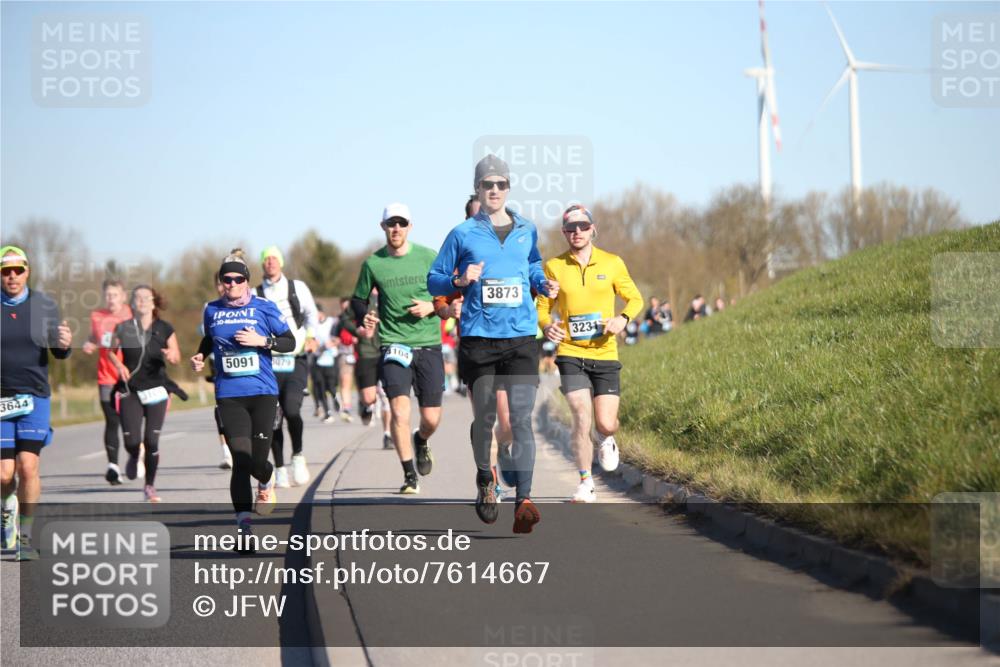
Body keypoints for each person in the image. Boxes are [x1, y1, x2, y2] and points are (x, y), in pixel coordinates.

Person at [428, 154, 558, 533]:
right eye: (488, 185)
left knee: (519, 419)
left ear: (508, 187)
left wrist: (541, 282)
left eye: (501, 184)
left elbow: (532, 265)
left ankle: (525, 501)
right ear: (479, 190)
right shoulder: (462, 233)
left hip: (520, 337)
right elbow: (434, 279)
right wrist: (459, 280)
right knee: (485, 419)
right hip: (479, 340)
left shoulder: (526, 229)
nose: (495, 190)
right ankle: (486, 478)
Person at [538, 205, 643, 503]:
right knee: (581, 416)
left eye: (583, 226)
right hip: (570, 351)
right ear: (564, 233)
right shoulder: (554, 267)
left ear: (593, 229)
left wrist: (621, 319)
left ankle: (606, 438)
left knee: (605, 423)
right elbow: (543, 308)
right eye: (571, 228)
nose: (577, 232)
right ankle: (585, 482)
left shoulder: (612, 263)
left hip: (605, 352)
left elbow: (634, 298)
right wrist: (547, 326)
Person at [191, 249, 294, 552]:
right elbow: (209, 338)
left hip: (262, 393)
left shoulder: (264, 307)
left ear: (247, 281)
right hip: (229, 395)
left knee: (257, 462)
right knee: (239, 458)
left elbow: (290, 342)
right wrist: (201, 355)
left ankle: (267, 478)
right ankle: (244, 529)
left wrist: (264, 341)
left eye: (238, 279)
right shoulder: (211, 310)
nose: (232, 284)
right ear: (221, 282)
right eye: (227, 280)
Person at [354, 203, 444, 495]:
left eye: (401, 224)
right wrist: (363, 315)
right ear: (383, 227)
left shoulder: (429, 257)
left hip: (429, 344)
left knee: (431, 418)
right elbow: (358, 299)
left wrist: (432, 305)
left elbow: (449, 292)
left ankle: (421, 440)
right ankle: (409, 476)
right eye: (391, 224)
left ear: (409, 227)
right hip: (394, 345)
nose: (396, 229)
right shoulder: (373, 263)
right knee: (399, 412)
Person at [0, 246, 72, 560]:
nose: (12, 276)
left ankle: (25, 535)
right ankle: (6, 514)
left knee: (28, 468)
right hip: (0, 397)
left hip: (35, 396)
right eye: (6, 271)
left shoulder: (44, 305)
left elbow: (58, 350)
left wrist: (65, 345)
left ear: (28, 271)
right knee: (4, 474)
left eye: (18, 270)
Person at [110, 285, 182, 502]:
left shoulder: (165, 328)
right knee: (132, 441)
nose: (141, 301)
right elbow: (110, 352)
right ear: (131, 303)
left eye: (145, 297)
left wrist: (171, 355)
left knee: (152, 440)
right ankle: (133, 454)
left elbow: (177, 356)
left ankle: (149, 486)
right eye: (137, 297)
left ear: (154, 302)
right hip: (131, 390)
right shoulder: (122, 328)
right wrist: (119, 365)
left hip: (157, 390)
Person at [256, 246, 320, 487]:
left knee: (292, 410)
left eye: (274, 258)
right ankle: (280, 467)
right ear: (262, 264)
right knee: (272, 418)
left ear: (280, 262)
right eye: (266, 259)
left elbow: (312, 314)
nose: (270, 262)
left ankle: (298, 456)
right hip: (268, 361)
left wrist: (312, 336)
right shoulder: (256, 293)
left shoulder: (297, 288)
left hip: (296, 357)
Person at [81, 279, 133, 485]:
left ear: (123, 296)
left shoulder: (132, 314)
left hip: (130, 376)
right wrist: (89, 343)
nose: (111, 299)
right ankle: (113, 466)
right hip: (106, 377)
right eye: (108, 295)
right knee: (112, 421)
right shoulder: (97, 316)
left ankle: (136, 457)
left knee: (131, 422)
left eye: (115, 295)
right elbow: (94, 337)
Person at [340, 290, 392, 446]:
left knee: (386, 396)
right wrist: (358, 331)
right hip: (366, 352)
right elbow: (345, 319)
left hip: (388, 348)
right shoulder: (360, 298)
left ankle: (387, 434)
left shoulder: (391, 293)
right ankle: (365, 404)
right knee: (370, 397)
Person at [201, 278, 234, 469]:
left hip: (240, 360)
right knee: (221, 407)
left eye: (226, 283)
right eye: (220, 284)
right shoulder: (210, 307)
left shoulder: (246, 302)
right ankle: (226, 452)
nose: (223, 287)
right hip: (218, 361)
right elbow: (206, 334)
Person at [310, 305, 339, 424]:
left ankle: (336, 398)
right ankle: (327, 413)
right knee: (319, 386)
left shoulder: (332, 322)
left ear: (321, 313)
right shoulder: (312, 326)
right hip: (318, 359)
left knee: (331, 386)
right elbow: (311, 343)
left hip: (331, 359)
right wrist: (317, 347)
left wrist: (332, 343)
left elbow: (338, 338)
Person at [335, 297, 357, 422]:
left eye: (347, 307)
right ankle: (346, 408)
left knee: (362, 384)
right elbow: (334, 336)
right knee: (345, 382)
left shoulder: (359, 319)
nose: (345, 310)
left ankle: (367, 406)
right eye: (343, 307)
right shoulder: (339, 321)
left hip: (360, 354)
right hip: (345, 354)